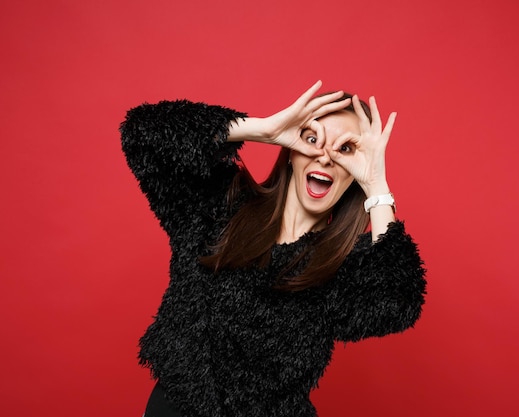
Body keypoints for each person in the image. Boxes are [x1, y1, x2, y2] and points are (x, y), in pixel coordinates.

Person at [120, 81, 427, 417]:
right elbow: (143, 134)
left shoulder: (343, 265)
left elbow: (398, 302)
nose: (324, 156)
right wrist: (265, 129)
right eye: (312, 139)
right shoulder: (219, 206)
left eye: (346, 150)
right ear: (292, 153)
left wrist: (376, 182)